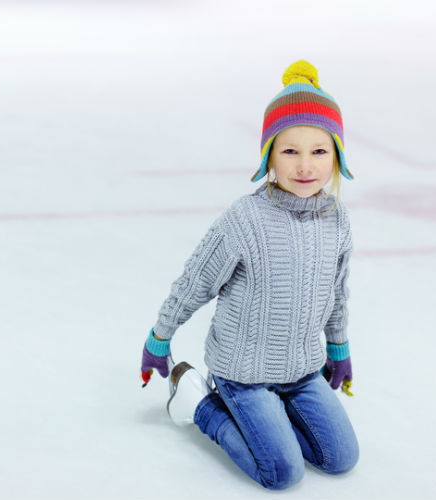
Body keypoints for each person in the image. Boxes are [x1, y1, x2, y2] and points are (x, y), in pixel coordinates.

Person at [140, 60, 359, 490]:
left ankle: (271, 419)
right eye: (289, 151)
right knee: (282, 473)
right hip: (243, 372)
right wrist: (159, 337)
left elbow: (337, 293)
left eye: (319, 151)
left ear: (336, 156)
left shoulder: (338, 220)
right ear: (269, 156)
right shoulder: (245, 219)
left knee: (340, 459)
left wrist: (338, 349)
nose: (305, 166)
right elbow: (195, 282)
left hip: (301, 373)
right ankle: (201, 403)